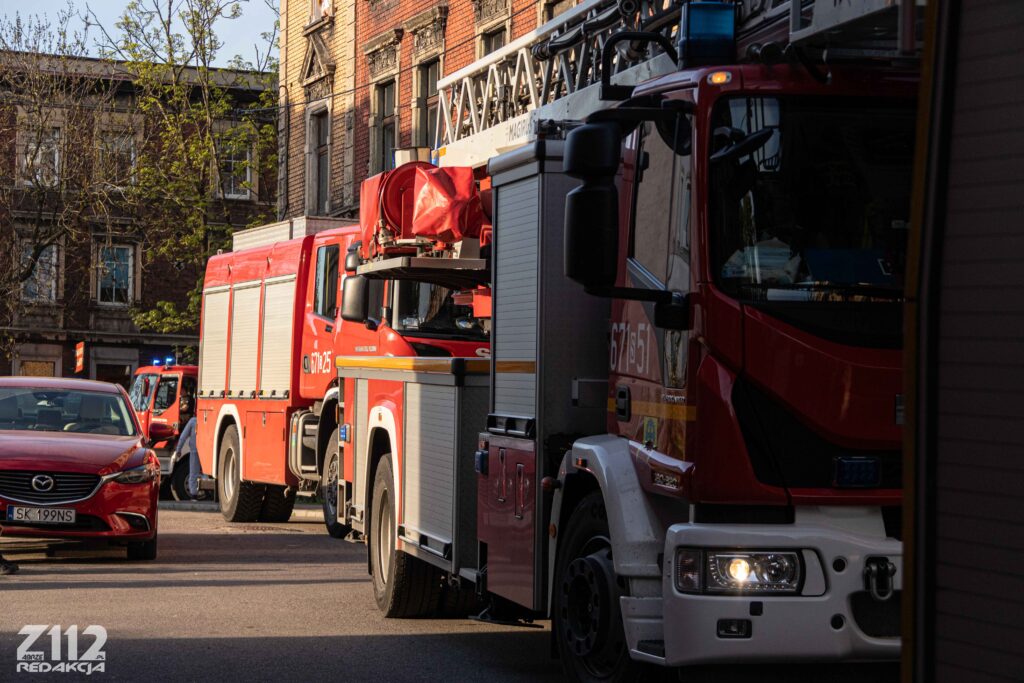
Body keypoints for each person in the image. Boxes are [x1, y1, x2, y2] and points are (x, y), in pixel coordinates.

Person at [173, 398, 203, 501]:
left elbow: (183, 437)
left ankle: (194, 494)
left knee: (193, 472)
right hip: (206, 451)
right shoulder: (207, 420)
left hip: (195, 450)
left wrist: (178, 450)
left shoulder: (192, 421)